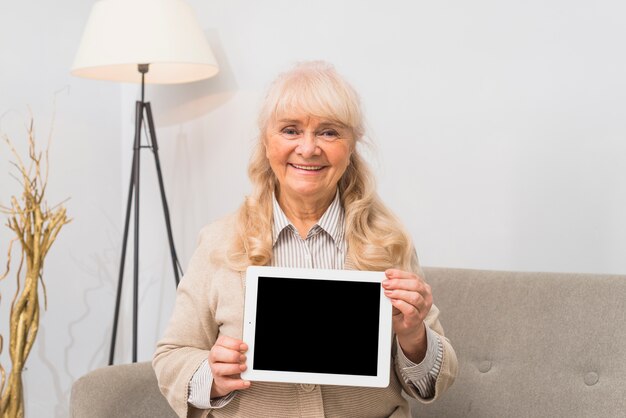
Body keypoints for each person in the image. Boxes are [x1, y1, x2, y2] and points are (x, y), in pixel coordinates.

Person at [153, 61, 457, 418]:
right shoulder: (219, 242)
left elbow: (435, 378)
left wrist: (414, 336)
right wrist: (212, 374)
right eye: (291, 130)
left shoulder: (388, 242)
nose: (309, 148)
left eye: (329, 132)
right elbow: (171, 356)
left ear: (351, 146)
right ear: (267, 141)